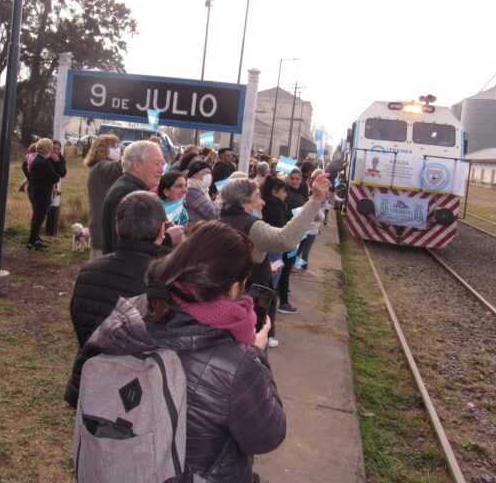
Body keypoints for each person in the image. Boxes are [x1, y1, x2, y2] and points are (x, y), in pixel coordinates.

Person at [82, 221, 285, 482]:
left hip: (126, 466)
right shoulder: (238, 363)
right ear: (235, 287)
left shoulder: (131, 312)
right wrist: (256, 354)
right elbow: (267, 436)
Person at [64, 191, 171, 407]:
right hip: (139, 394)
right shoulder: (168, 277)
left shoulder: (88, 271)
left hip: (91, 381)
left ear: (117, 229)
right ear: (162, 229)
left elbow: (81, 323)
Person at [220, 173, 330, 319]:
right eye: (257, 196)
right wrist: (315, 200)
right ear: (244, 202)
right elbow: (285, 239)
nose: (263, 202)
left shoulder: (222, 219)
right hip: (246, 304)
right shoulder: (250, 225)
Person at [101, 140, 177, 254]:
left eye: (163, 163)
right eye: (157, 164)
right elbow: (130, 246)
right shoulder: (129, 194)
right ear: (136, 165)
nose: (162, 170)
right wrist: (169, 239)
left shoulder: (130, 187)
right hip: (126, 269)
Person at [84, 134, 122, 260]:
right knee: (100, 261)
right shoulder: (102, 166)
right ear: (103, 148)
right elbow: (118, 167)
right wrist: (136, 151)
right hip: (102, 224)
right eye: (114, 145)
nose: (118, 148)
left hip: (99, 222)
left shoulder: (97, 167)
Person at [276, 167, 308, 310]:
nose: (295, 181)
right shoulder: (286, 193)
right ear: (288, 179)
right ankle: (283, 302)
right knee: (284, 267)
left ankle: (280, 290)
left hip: (296, 236)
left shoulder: (299, 192)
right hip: (286, 235)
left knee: (285, 267)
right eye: (292, 178)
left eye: (298, 179)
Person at [26, 138, 62, 250]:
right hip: (43, 193)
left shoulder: (37, 160)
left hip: (36, 191)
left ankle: (35, 240)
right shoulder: (44, 162)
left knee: (38, 217)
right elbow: (56, 177)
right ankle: (31, 242)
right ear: (49, 149)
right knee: (39, 218)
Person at [184, 159, 219, 226]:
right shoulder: (192, 191)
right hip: (195, 230)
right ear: (195, 175)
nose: (209, 176)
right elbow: (212, 213)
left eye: (210, 173)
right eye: (206, 173)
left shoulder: (203, 188)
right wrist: (218, 200)